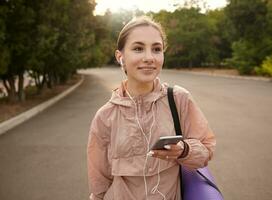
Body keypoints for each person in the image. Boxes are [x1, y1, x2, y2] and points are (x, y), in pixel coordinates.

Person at [87, 16, 216, 200]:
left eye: (156, 49)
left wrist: (184, 150)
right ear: (120, 57)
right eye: (138, 48)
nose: (149, 58)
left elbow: (206, 150)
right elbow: (99, 183)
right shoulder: (105, 116)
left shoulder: (179, 99)